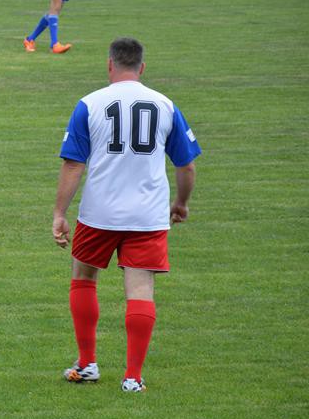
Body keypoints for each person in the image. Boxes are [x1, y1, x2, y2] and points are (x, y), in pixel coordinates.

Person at [52, 38, 201, 392]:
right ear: (142, 68)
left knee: (84, 279)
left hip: (99, 212)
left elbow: (74, 163)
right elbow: (186, 165)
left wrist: (59, 212)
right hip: (147, 216)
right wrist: (181, 202)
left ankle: (87, 364)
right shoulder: (165, 105)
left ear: (109, 65)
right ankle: (133, 377)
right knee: (140, 289)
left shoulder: (89, 103)